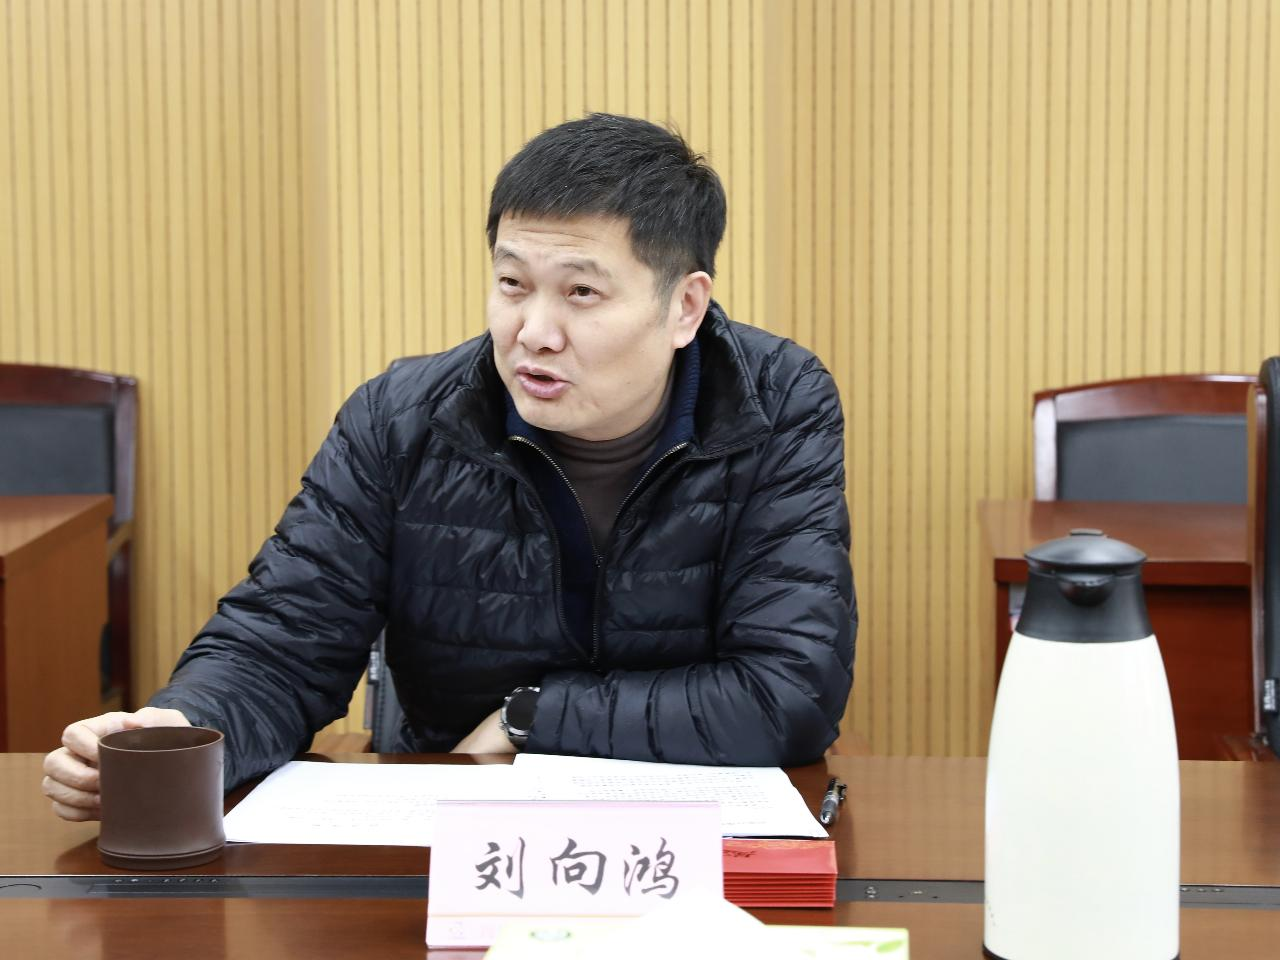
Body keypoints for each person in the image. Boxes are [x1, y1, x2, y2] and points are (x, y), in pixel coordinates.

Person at [42, 113, 856, 821]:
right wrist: (179, 732)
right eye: (512, 284)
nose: (533, 332)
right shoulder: (400, 420)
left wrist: (532, 718)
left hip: (693, 839)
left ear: (684, 306)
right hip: (452, 832)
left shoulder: (776, 403)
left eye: (580, 293)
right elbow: (282, 644)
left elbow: (790, 690)